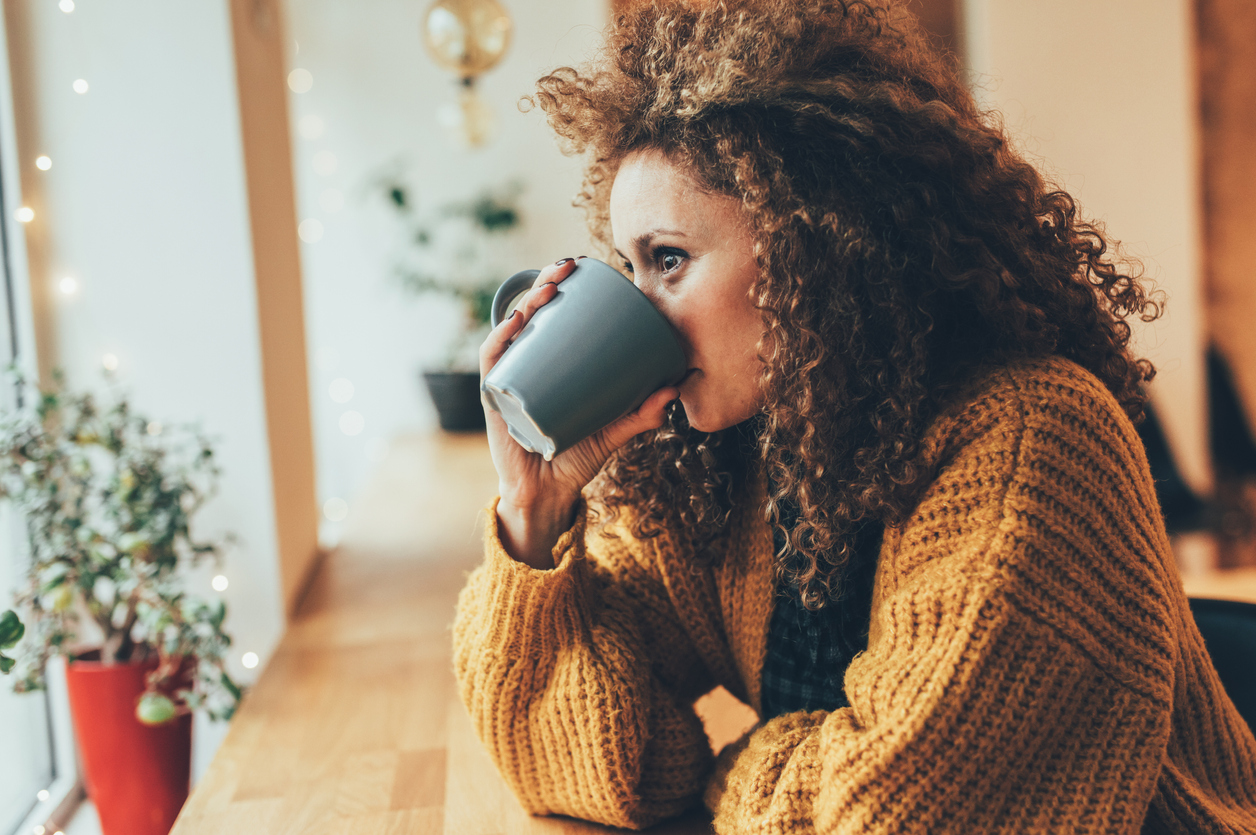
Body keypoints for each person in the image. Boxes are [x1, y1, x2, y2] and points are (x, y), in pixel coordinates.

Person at [452, 0, 1256, 831]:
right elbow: (604, 766)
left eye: (670, 260)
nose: (640, 309)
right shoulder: (739, 458)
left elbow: (891, 813)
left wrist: (739, 766)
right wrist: (532, 513)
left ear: (818, 245)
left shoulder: (1032, 441)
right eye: (628, 264)